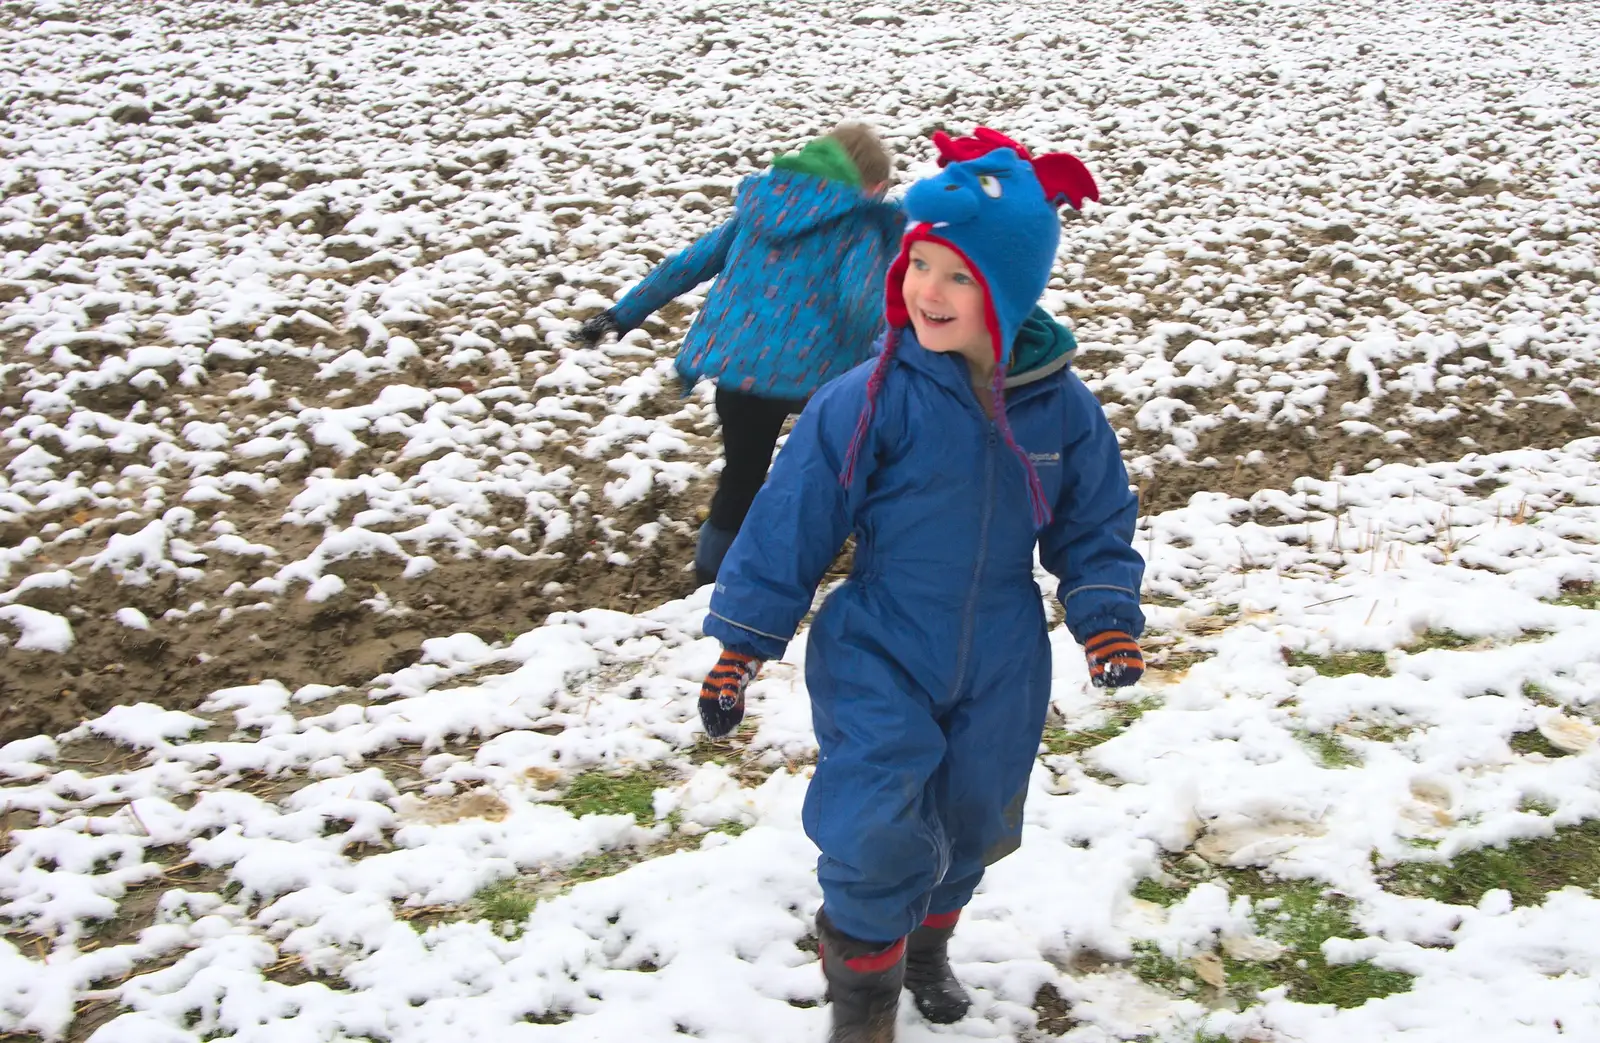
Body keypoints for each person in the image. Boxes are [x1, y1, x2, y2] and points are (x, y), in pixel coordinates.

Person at [694, 128, 1148, 1042]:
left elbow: (1095, 517)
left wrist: (1102, 613)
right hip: (881, 638)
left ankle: (927, 946)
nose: (926, 291)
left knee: (974, 815)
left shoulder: (1060, 403)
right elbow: (794, 517)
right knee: (874, 818)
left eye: (956, 274)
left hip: (1003, 648)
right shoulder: (867, 397)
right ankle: (862, 1006)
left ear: (1008, 290)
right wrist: (741, 641)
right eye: (918, 266)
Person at [572, 122, 903, 586]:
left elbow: (687, 264)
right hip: (822, 377)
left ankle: (710, 578)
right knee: (845, 466)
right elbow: (861, 303)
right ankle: (864, 561)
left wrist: (621, 315)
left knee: (741, 474)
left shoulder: (757, 212)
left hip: (739, 372)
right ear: (872, 186)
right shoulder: (859, 228)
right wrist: (900, 346)